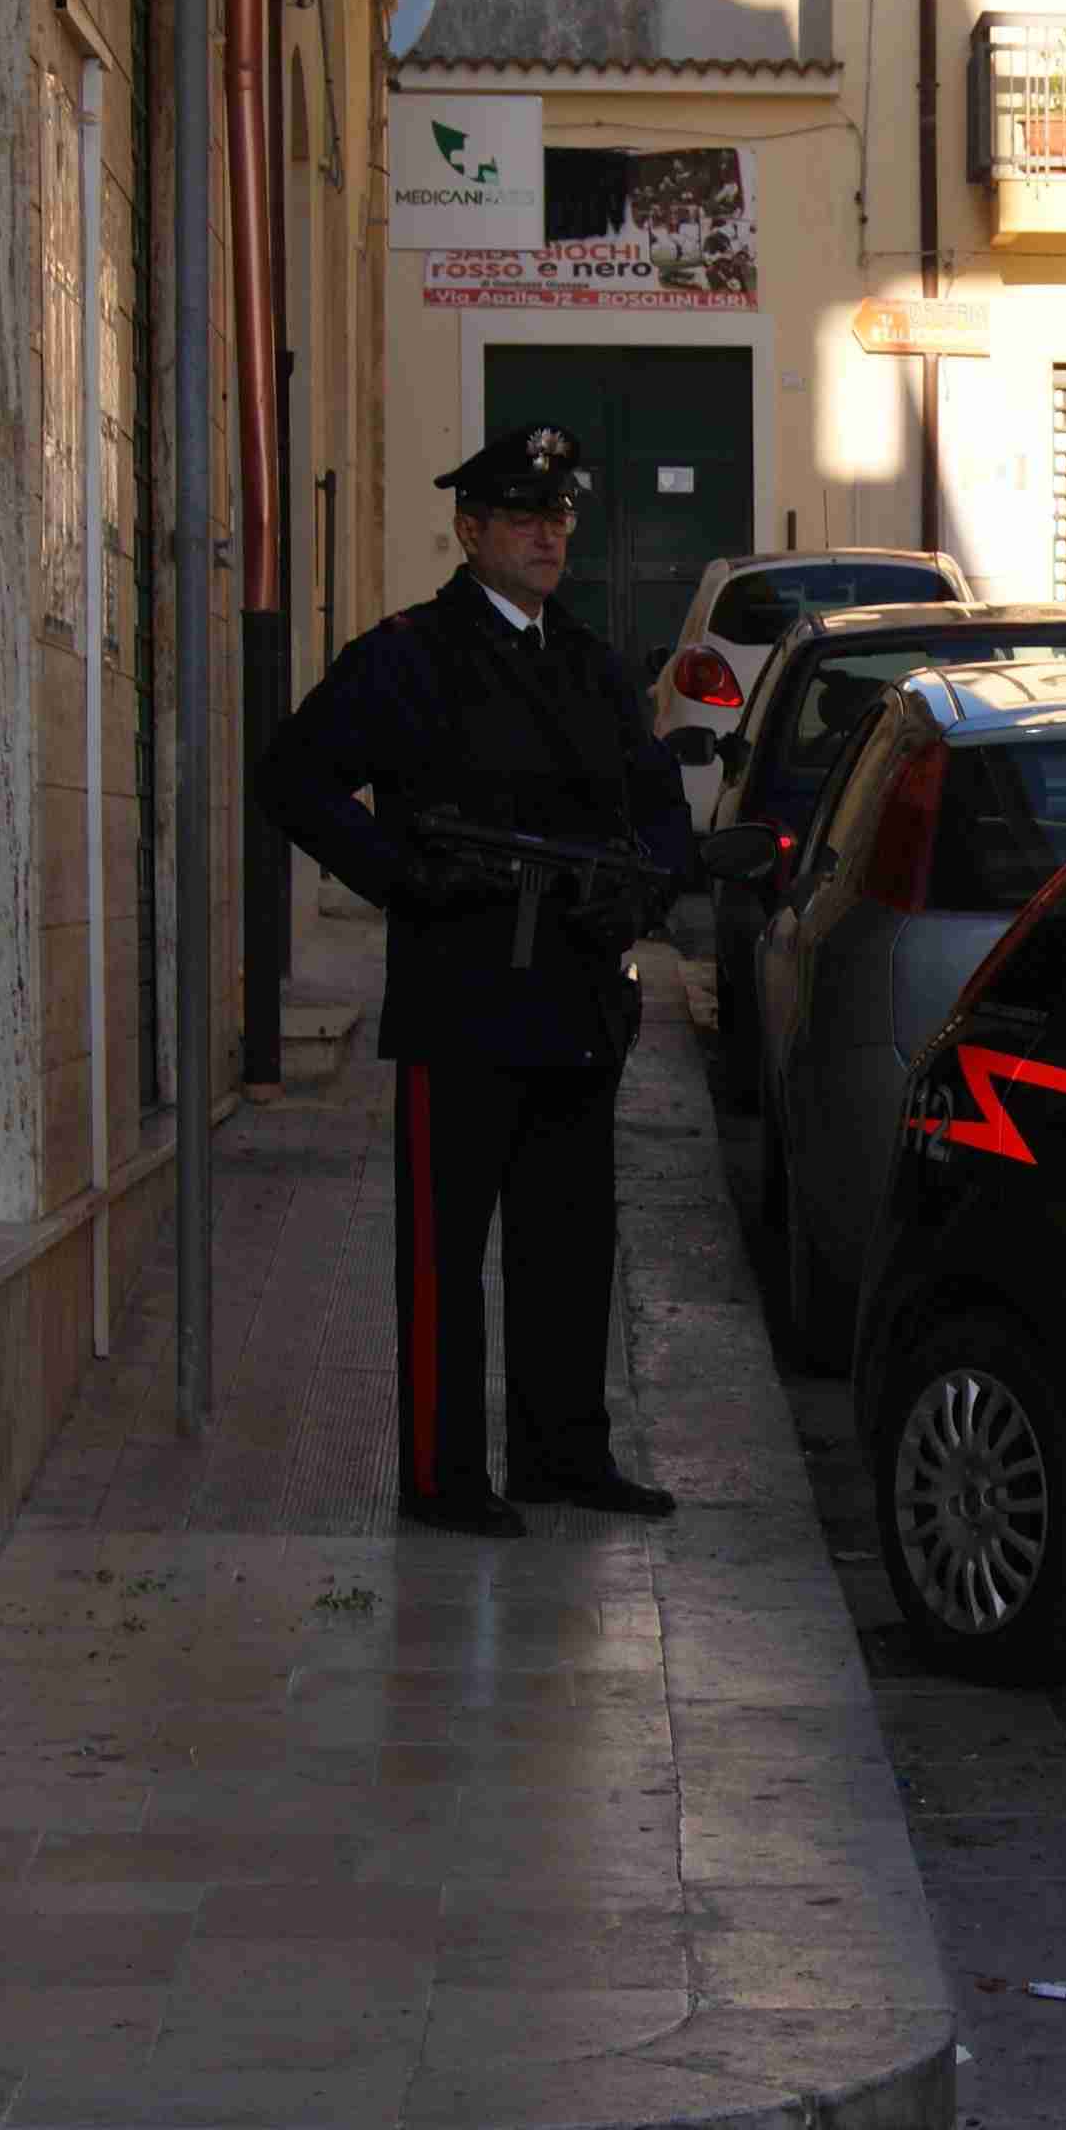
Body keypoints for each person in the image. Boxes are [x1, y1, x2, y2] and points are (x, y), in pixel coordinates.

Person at [257, 424, 693, 1538]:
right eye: (522, 515)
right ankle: (443, 1474)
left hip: (578, 995)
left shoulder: (589, 661)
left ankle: (563, 1451)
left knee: (569, 1240)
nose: (550, 533)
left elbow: (656, 806)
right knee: (448, 1254)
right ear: (470, 530)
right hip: (462, 997)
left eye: (560, 515)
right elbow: (294, 776)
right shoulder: (411, 655)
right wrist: (402, 878)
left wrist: (639, 893)